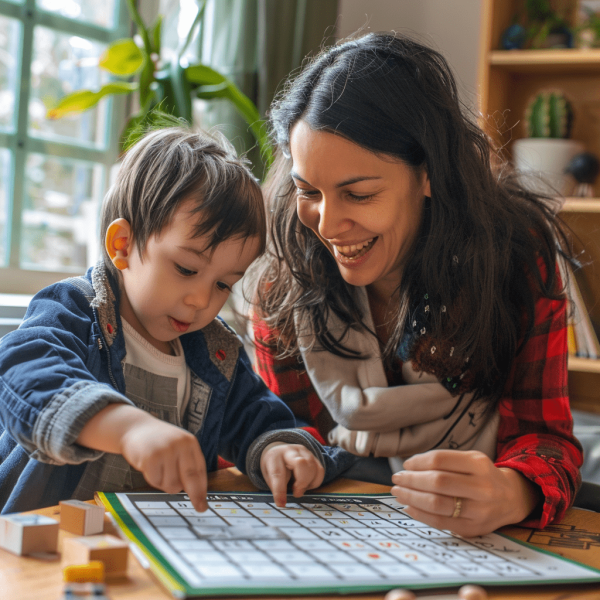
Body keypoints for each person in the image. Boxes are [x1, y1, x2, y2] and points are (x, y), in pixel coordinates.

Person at [251, 32, 584, 537]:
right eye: (308, 191)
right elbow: (286, 432)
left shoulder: (514, 259)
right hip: (340, 537)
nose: (327, 224)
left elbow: (546, 439)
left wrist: (512, 490)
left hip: (482, 544)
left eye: (358, 195)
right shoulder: (286, 281)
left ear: (429, 174)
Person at [0, 126, 353, 514]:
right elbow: (21, 371)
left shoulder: (214, 352)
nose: (201, 300)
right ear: (123, 245)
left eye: (223, 284)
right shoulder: (75, 308)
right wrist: (129, 429)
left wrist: (279, 448)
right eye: (186, 269)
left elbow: (258, 416)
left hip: (154, 549)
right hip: (43, 543)